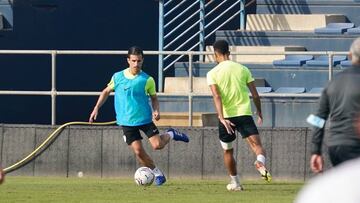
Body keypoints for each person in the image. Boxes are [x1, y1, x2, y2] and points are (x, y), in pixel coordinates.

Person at [89, 46, 189, 186]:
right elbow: (106, 91)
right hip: (126, 122)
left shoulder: (147, 79)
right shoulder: (117, 77)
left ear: (142, 61)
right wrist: (96, 108)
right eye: (134, 61)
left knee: (157, 145)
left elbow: (154, 98)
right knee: (138, 151)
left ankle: (171, 134)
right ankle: (157, 173)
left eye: (139, 61)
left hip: (144, 119)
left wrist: (156, 111)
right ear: (128, 60)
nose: (136, 64)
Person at [206, 40, 271, 191]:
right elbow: (255, 94)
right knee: (258, 147)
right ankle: (259, 161)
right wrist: (259, 111)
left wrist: (221, 117)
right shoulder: (243, 69)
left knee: (228, 150)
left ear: (215, 54)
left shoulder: (212, 73)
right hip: (244, 114)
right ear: (229, 52)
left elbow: (216, 96)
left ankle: (235, 182)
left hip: (226, 118)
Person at [309, 37, 360, 174]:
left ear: (350, 56)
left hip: (336, 146)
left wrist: (315, 150)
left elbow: (317, 118)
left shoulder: (333, 82)